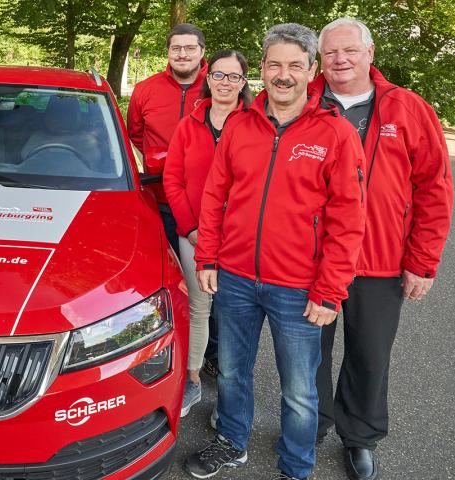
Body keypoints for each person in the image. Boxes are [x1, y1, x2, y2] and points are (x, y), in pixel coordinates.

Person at [183, 23, 366, 480]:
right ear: (262, 69)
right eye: (275, 65)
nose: (283, 75)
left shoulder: (336, 134)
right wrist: (207, 257)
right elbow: (214, 196)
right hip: (237, 277)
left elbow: (349, 219)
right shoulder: (240, 126)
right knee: (229, 372)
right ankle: (231, 441)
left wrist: (330, 290)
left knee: (301, 390)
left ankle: (296, 466)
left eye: (295, 66)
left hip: (299, 285)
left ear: (311, 70)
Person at [311, 18, 454, 480]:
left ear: (370, 53)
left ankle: (360, 437)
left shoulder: (407, 108)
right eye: (331, 52)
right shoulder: (303, 103)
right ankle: (310, 424)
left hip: (381, 261)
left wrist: (423, 262)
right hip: (313, 260)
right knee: (309, 352)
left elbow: (435, 188)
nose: (340, 60)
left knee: (369, 356)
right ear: (320, 59)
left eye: (349, 50)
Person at [163, 49, 253, 418]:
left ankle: (231, 403)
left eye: (233, 77)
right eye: (219, 75)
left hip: (243, 241)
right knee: (199, 311)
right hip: (196, 237)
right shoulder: (189, 124)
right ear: (208, 78)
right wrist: (192, 229)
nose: (225, 83)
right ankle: (193, 380)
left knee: (236, 317)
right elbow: (173, 180)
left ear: (244, 82)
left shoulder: (256, 124)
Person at [127, 22, 209, 258]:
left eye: (190, 48)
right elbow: (135, 133)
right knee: (163, 269)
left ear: (202, 52)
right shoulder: (145, 89)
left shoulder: (217, 87)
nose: (182, 54)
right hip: (158, 199)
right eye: (176, 48)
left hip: (205, 203)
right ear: (168, 51)